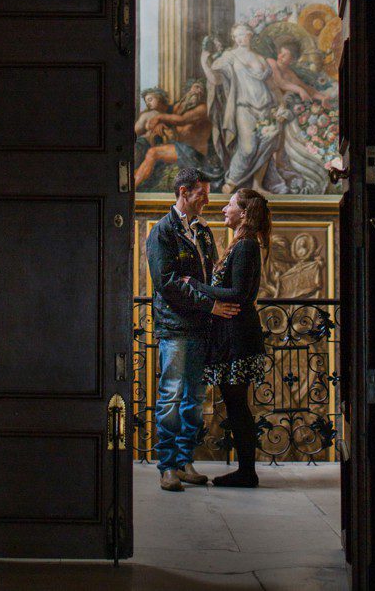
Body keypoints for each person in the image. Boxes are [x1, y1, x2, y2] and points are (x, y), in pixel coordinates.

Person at [145, 169, 239, 492]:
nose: (208, 200)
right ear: (184, 192)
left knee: (194, 399)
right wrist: (209, 304)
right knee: (170, 396)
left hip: (200, 327)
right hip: (174, 328)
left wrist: (202, 292)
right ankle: (168, 466)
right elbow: (168, 284)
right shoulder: (162, 232)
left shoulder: (203, 232)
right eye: (202, 194)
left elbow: (208, 279)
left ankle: (185, 461)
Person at [182, 188, 272, 489]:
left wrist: (196, 285)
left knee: (237, 407)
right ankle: (245, 471)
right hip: (231, 338)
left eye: (230, 204)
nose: (224, 209)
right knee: (235, 406)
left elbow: (238, 295)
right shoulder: (240, 245)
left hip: (239, 339)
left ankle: (247, 472)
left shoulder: (246, 246)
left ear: (243, 213)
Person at [202, 24, 290, 195]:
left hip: (266, 108)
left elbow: (272, 85)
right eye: (236, 36)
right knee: (248, 147)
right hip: (244, 108)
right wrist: (204, 63)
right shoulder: (230, 56)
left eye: (242, 35)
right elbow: (216, 79)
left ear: (250, 35)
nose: (239, 39)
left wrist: (281, 105)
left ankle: (257, 185)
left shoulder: (261, 59)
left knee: (266, 146)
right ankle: (231, 182)